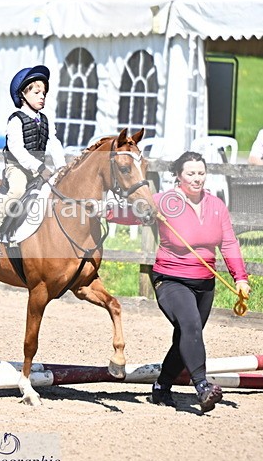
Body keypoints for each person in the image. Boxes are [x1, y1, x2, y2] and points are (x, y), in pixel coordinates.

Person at [107, 151, 251, 413]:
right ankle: (202, 386)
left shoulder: (216, 206)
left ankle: (162, 387)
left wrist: (240, 278)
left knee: (187, 335)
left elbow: (229, 243)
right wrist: (101, 210)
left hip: (205, 284)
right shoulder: (164, 202)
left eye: (201, 173)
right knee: (191, 324)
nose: (197, 179)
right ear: (178, 176)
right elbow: (131, 214)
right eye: (190, 174)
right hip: (171, 279)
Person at [0, 65, 66, 255]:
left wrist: (62, 167)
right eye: (37, 92)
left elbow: (54, 143)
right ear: (23, 95)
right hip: (16, 167)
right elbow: (17, 149)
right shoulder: (16, 120)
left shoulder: (45, 120)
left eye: (44, 92)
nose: (42, 96)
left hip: (38, 168)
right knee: (17, 190)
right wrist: (40, 167)